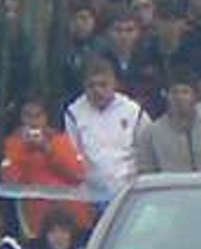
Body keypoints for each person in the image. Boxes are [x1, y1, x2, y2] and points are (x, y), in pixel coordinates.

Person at [0, 97, 93, 237]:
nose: (33, 121)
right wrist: (23, 149)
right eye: (28, 116)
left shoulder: (61, 140)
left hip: (71, 214)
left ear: (45, 118)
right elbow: (10, 180)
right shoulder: (13, 144)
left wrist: (47, 149)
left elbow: (78, 174)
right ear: (21, 119)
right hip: (37, 218)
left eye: (38, 116)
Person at [64, 58, 150, 203]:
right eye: (91, 86)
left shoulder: (134, 111)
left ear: (115, 84)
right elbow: (73, 154)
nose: (97, 90)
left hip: (128, 193)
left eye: (103, 85)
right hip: (90, 195)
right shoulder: (73, 113)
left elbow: (146, 151)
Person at [134, 73, 201, 174]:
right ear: (167, 96)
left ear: (195, 96)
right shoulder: (152, 132)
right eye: (174, 92)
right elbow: (145, 170)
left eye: (185, 92)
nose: (179, 97)